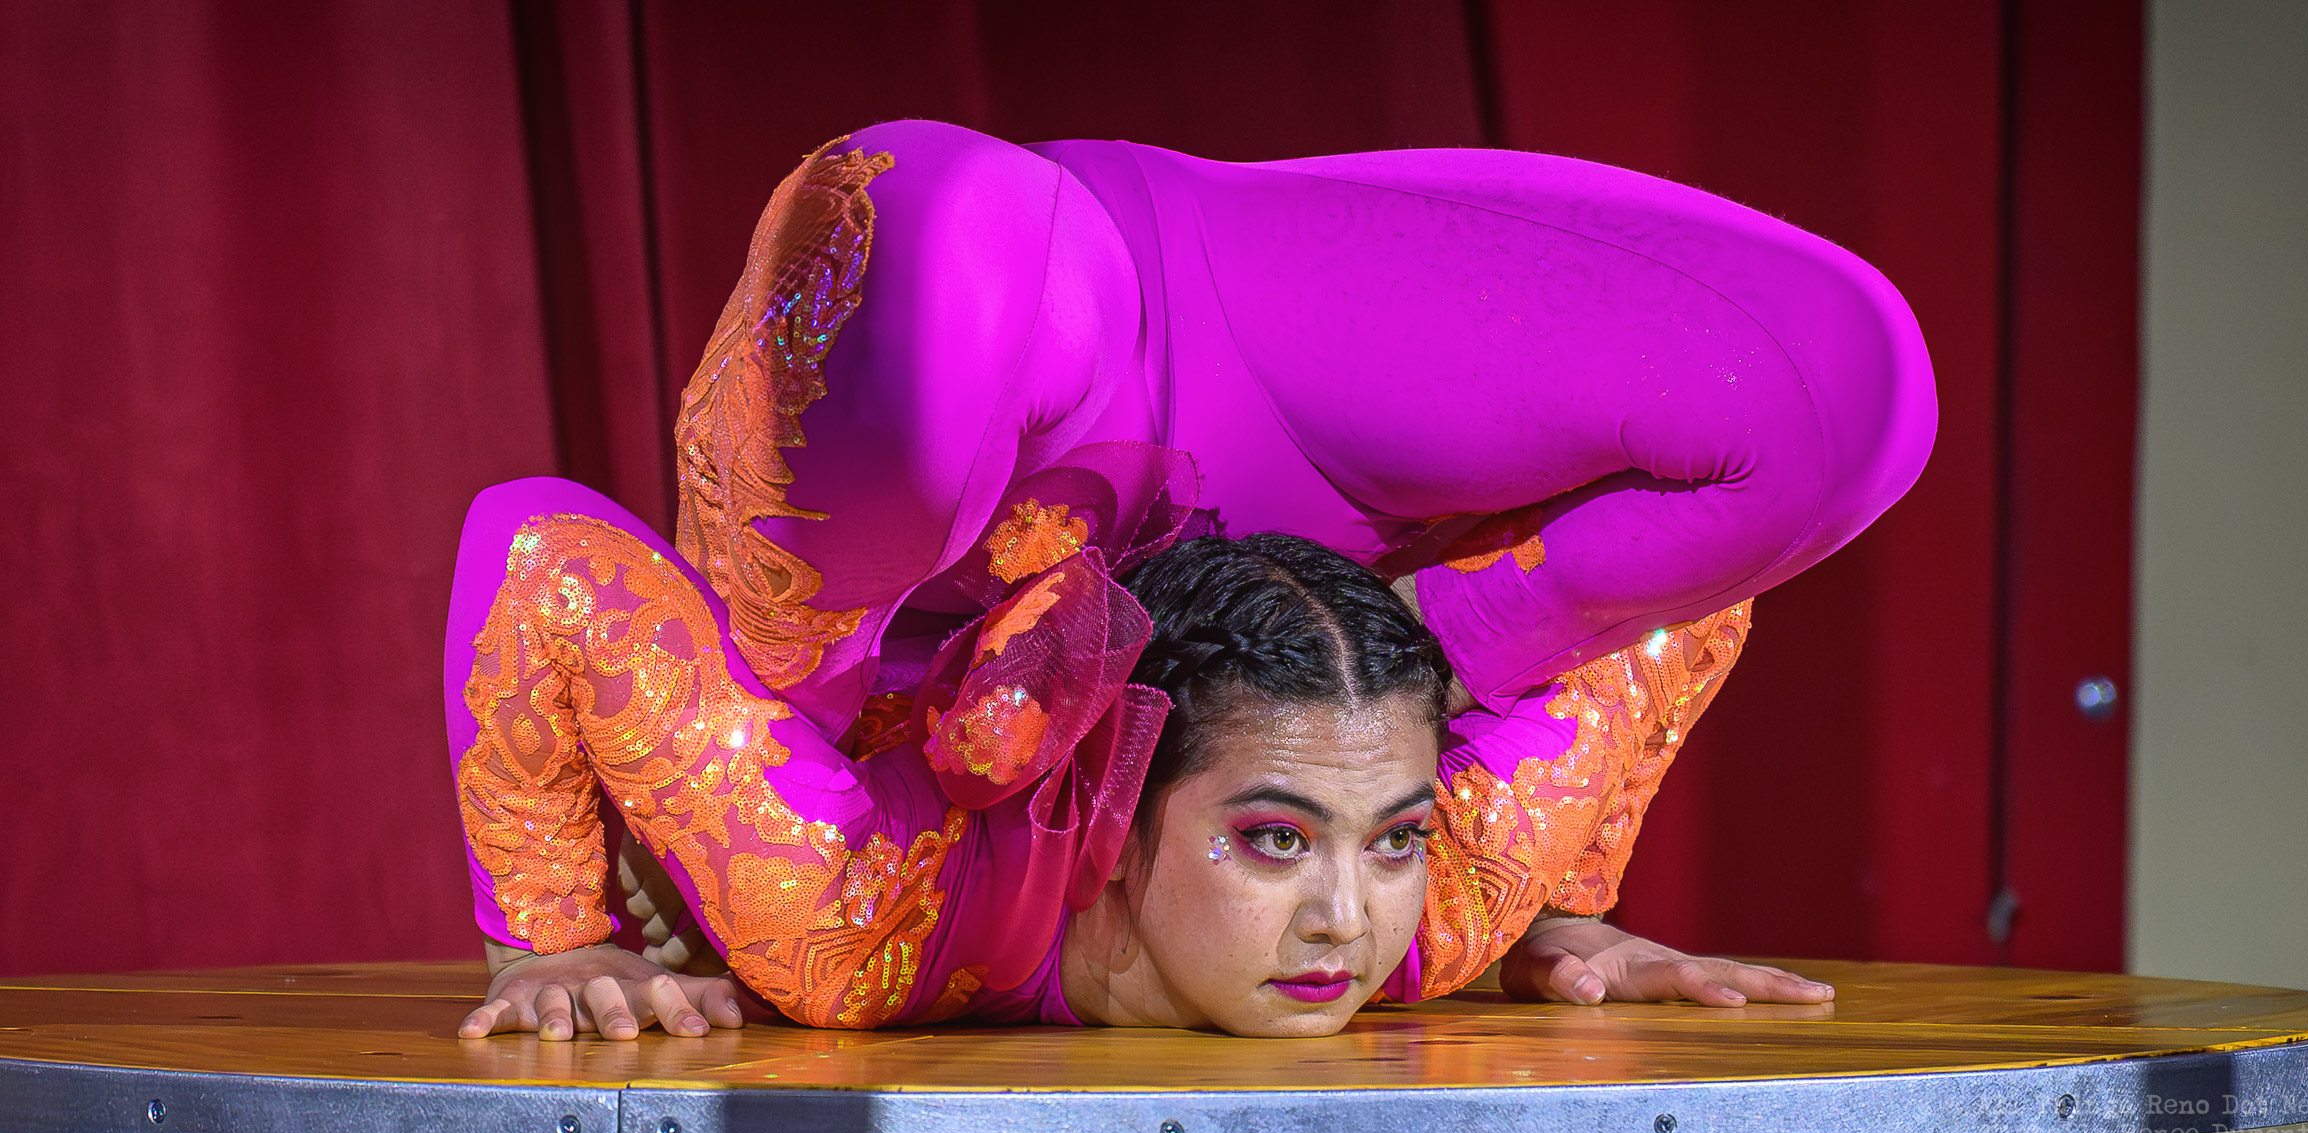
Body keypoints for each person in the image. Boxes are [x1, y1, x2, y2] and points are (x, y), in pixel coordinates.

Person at [446, 120, 1935, 1039]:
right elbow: (541, 547)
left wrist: (1561, 910)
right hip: (940, 477)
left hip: (1201, 376)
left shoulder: (1440, 907)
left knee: (1826, 409)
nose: (1351, 923)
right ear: (1110, 818)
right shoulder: (852, 919)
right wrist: (552, 942)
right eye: (1276, 842)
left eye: (1396, 837)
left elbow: (1682, 608)